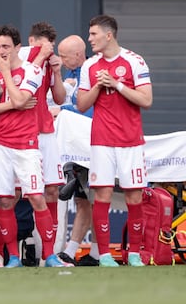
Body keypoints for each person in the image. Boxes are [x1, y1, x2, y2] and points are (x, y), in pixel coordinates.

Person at [0, 24, 71, 268]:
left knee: (37, 198)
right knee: (6, 201)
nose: (2, 51)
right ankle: (13, 257)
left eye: (6, 46)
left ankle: (49, 256)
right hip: (0, 144)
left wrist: (7, 74)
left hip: (27, 144)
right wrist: (8, 103)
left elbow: (20, 98)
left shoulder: (32, 71)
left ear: (19, 47)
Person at [76, 14, 152, 268]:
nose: (90, 39)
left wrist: (117, 84)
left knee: (134, 196)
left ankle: (134, 254)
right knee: (102, 195)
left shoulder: (134, 61)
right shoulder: (90, 66)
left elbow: (146, 100)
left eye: (94, 34)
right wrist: (99, 87)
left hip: (130, 140)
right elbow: (82, 104)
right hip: (102, 140)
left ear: (108, 35)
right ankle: (105, 255)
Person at [19, 22, 67, 248]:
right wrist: (41, 54)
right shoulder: (21, 55)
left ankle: (49, 252)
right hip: (21, 132)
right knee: (15, 193)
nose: (46, 50)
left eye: (49, 46)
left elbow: (59, 99)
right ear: (31, 42)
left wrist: (57, 71)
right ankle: (4, 252)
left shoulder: (50, 62)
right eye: (41, 45)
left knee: (52, 190)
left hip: (46, 132)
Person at [53, 34, 97, 266]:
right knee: (83, 202)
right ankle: (71, 251)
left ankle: (99, 254)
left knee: (98, 199)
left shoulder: (93, 72)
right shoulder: (70, 74)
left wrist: (64, 111)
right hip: (76, 148)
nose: (60, 60)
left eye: (64, 56)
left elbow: (88, 110)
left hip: (92, 146)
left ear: (79, 55)